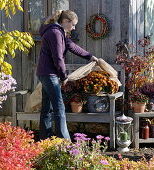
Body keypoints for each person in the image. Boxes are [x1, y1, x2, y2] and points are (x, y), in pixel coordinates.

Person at [36, 10, 98, 140]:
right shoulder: (55, 33)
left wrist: (90, 56)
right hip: (49, 74)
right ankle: (65, 142)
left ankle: (44, 139)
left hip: (46, 73)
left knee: (47, 108)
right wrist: (64, 76)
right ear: (65, 21)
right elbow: (58, 58)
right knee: (59, 107)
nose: (74, 27)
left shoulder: (59, 32)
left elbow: (72, 46)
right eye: (73, 24)